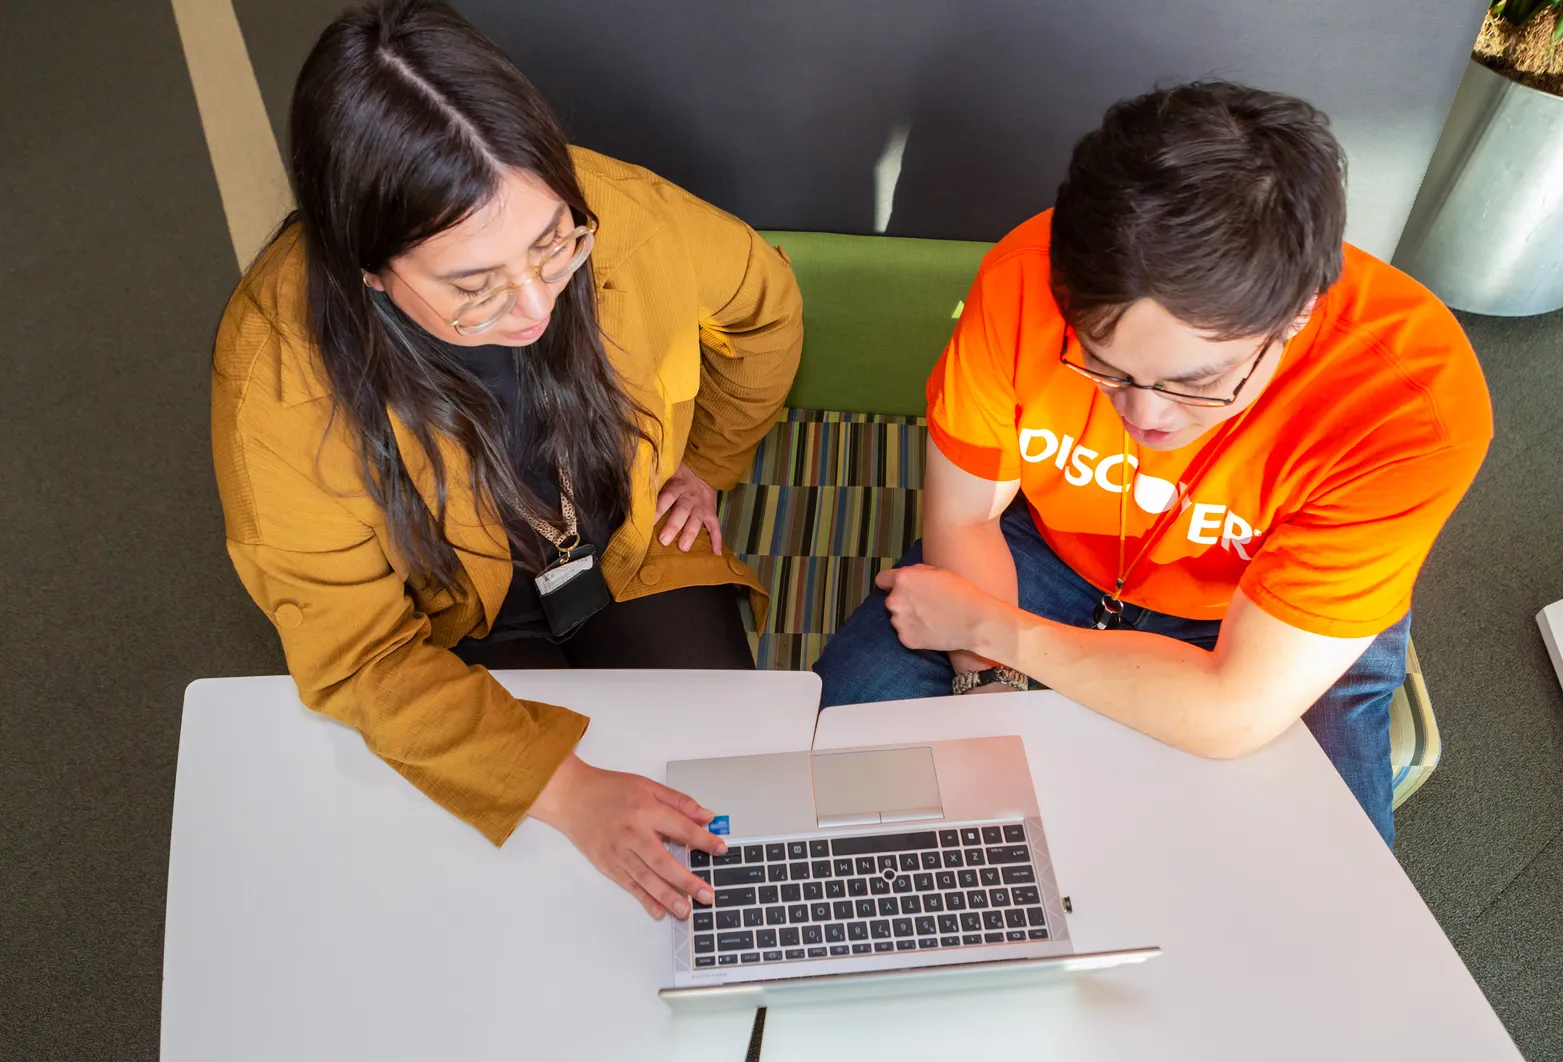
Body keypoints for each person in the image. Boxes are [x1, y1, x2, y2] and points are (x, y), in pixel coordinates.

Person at [211, 0, 802, 919]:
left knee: (727, 820)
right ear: (369, 268)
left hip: (637, 552)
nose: (532, 304)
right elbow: (360, 657)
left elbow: (768, 311)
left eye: (551, 242)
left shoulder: (632, 218)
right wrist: (566, 790)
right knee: (510, 893)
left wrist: (711, 462)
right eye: (472, 285)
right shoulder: (277, 382)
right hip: (453, 616)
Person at [815, 82, 1492, 847]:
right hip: (1048, 550)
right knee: (852, 749)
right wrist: (987, 693)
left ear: (1299, 311)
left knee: (1317, 875)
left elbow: (1233, 708)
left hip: (1262, 615)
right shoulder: (1023, 275)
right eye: (1101, 366)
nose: (1144, 418)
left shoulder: (1414, 403)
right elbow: (965, 514)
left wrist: (993, 630)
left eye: (1197, 382)